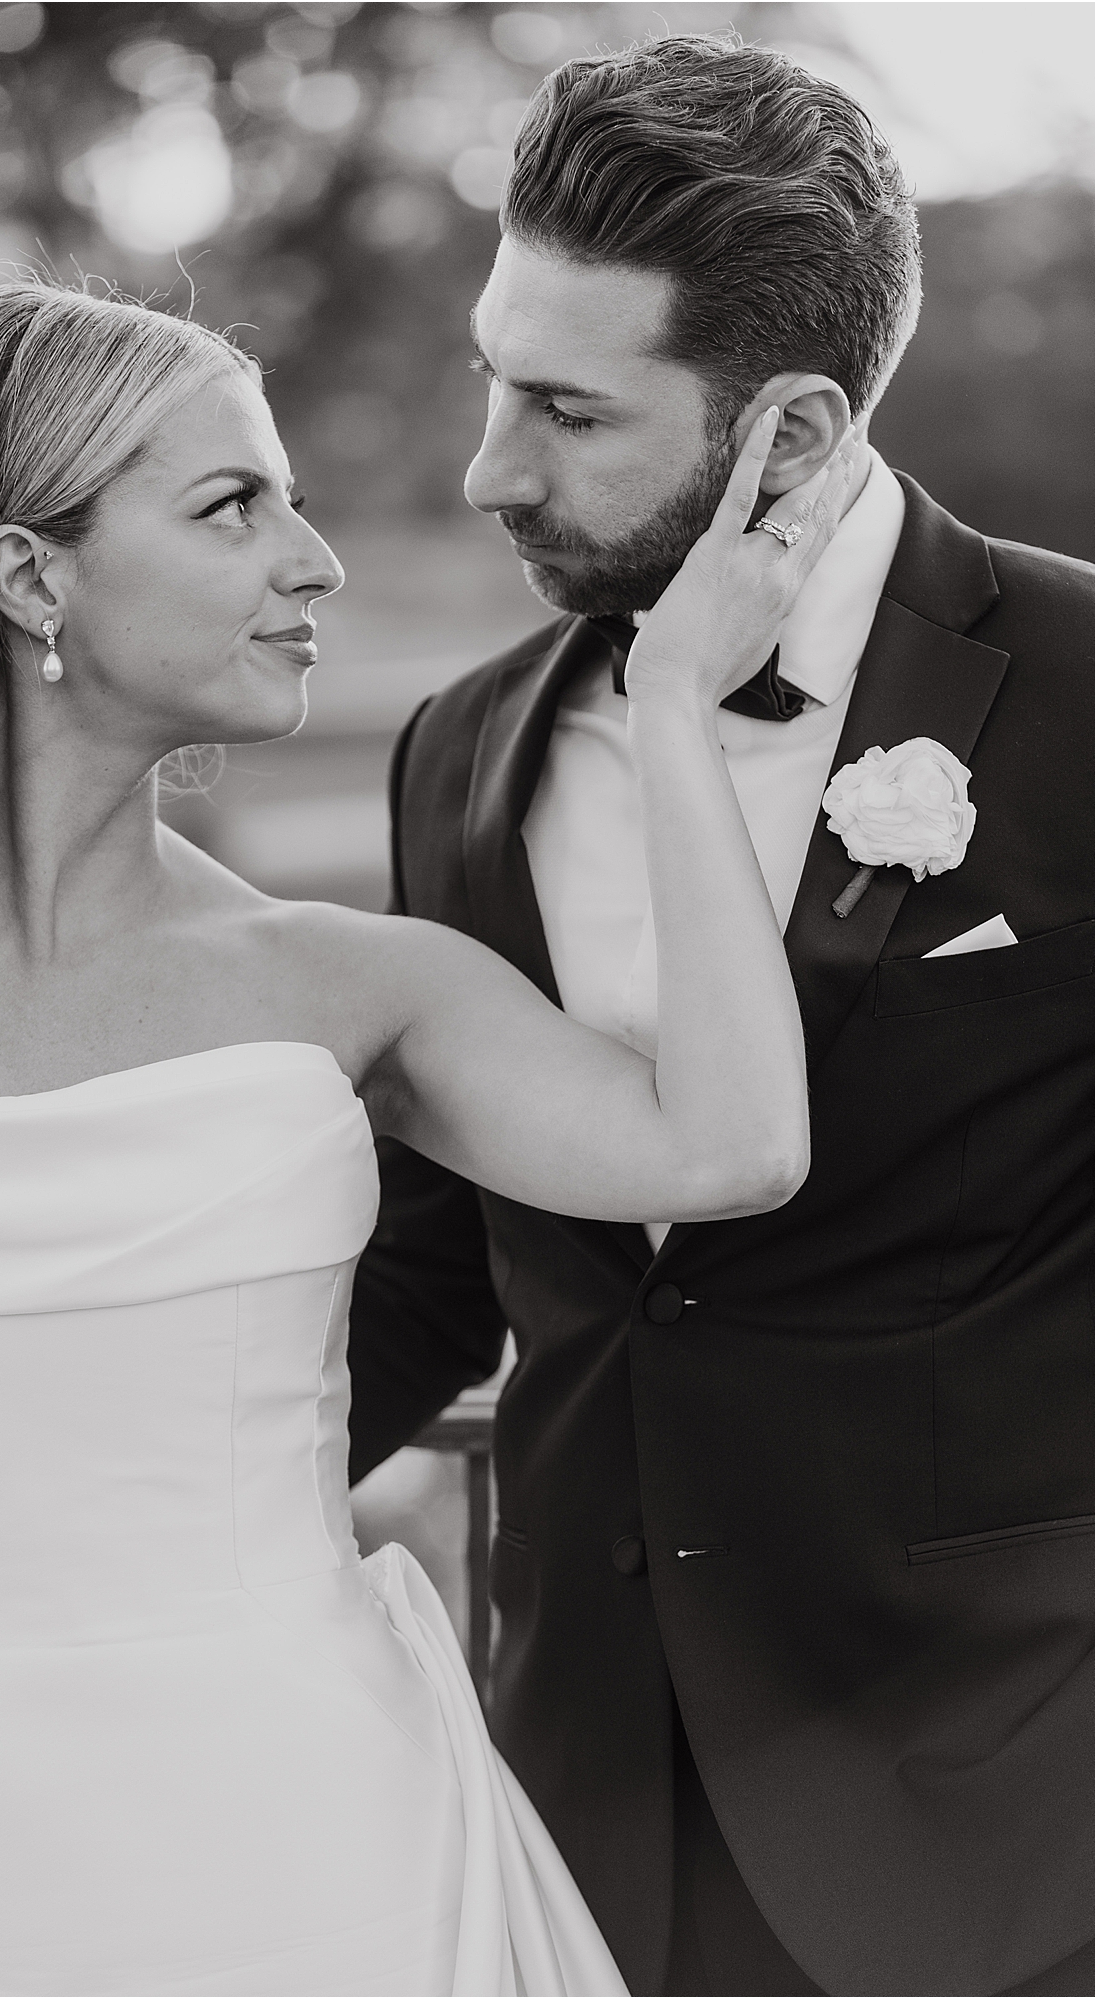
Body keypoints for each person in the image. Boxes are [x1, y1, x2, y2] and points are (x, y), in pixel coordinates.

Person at [0, 275, 854, 1996]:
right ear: (32, 575)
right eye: (232, 505)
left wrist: (670, 708)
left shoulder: (351, 983)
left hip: (325, 1858)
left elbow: (729, 1149)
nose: (318, 560)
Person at [346, 35, 1093, 1999]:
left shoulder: (1090, 694)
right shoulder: (459, 752)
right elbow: (435, 1265)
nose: (487, 466)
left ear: (791, 430)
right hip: (571, 1802)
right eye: (492, 374)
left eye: (568, 409)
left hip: (1009, 1816)